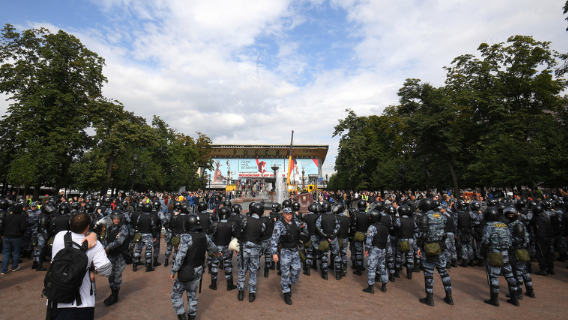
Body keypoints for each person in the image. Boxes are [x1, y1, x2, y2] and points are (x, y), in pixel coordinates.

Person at [48, 213, 109, 320]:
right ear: (87, 227)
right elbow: (106, 271)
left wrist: (91, 233)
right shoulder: (95, 244)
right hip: (82, 303)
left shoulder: (59, 236)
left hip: (55, 299)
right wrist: (94, 234)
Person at [170, 214, 221, 320]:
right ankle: (192, 316)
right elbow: (212, 247)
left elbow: (180, 256)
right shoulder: (204, 236)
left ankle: (182, 316)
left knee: (176, 294)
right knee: (192, 294)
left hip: (187, 269)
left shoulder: (186, 237)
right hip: (198, 268)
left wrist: (174, 270)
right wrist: (217, 252)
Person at [416, 198, 453, 306]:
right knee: (443, 272)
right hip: (440, 247)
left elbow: (422, 235)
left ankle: (430, 298)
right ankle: (449, 297)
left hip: (429, 248)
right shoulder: (441, 216)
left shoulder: (424, 217)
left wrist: (419, 247)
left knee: (428, 273)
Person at [481, 207, 519, 307]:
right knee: (509, 275)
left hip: (494, 253)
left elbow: (485, 241)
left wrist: (482, 252)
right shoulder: (504, 225)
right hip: (505, 253)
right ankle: (514, 298)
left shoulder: (488, 226)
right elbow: (510, 239)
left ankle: (494, 299)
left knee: (493, 276)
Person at [271, 207, 306, 305]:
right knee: (285, 274)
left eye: (290, 213)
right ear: (284, 214)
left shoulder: (295, 222)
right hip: (285, 251)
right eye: (287, 214)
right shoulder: (279, 225)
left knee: (297, 270)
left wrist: (304, 225)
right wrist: (274, 253)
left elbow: (302, 226)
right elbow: (274, 240)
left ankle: (289, 285)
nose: (289, 215)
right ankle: (286, 293)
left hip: (295, 250)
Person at [236, 202, 266, 302]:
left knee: (242, 270)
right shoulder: (262, 223)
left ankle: (240, 292)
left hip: (244, 247)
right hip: (255, 248)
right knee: (253, 271)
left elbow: (238, 232)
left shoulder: (245, 219)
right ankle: (251, 294)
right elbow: (263, 234)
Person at [362, 209, 392, 294]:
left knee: (371, 268)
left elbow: (369, 240)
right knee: (383, 268)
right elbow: (388, 241)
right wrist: (388, 252)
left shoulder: (372, 227)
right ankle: (384, 286)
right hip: (383, 249)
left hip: (374, 249)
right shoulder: (384, 228)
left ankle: (370, 287)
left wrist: (367, 249)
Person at [103, 210, 129, 306]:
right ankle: (112, 293)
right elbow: (105, 238)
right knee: (111, 275)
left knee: (117, 276)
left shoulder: (123, 228)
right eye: (114, 218)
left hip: (119, 255)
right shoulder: (109, 227)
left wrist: (107, 247)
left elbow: (120, 241)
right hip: (110, 255)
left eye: (118, 218)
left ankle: (115, 295)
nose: (116, 220)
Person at [1, 203, 27, 274]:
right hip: (16, 237)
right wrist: (21, 234)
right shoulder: (21, 217)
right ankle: (14, 267)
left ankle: (3, 269)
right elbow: (23, 228)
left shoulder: (7, 216)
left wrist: (2, 234)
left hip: (6, 236)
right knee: (16, 252)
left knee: (6, 253)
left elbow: (2, 226)